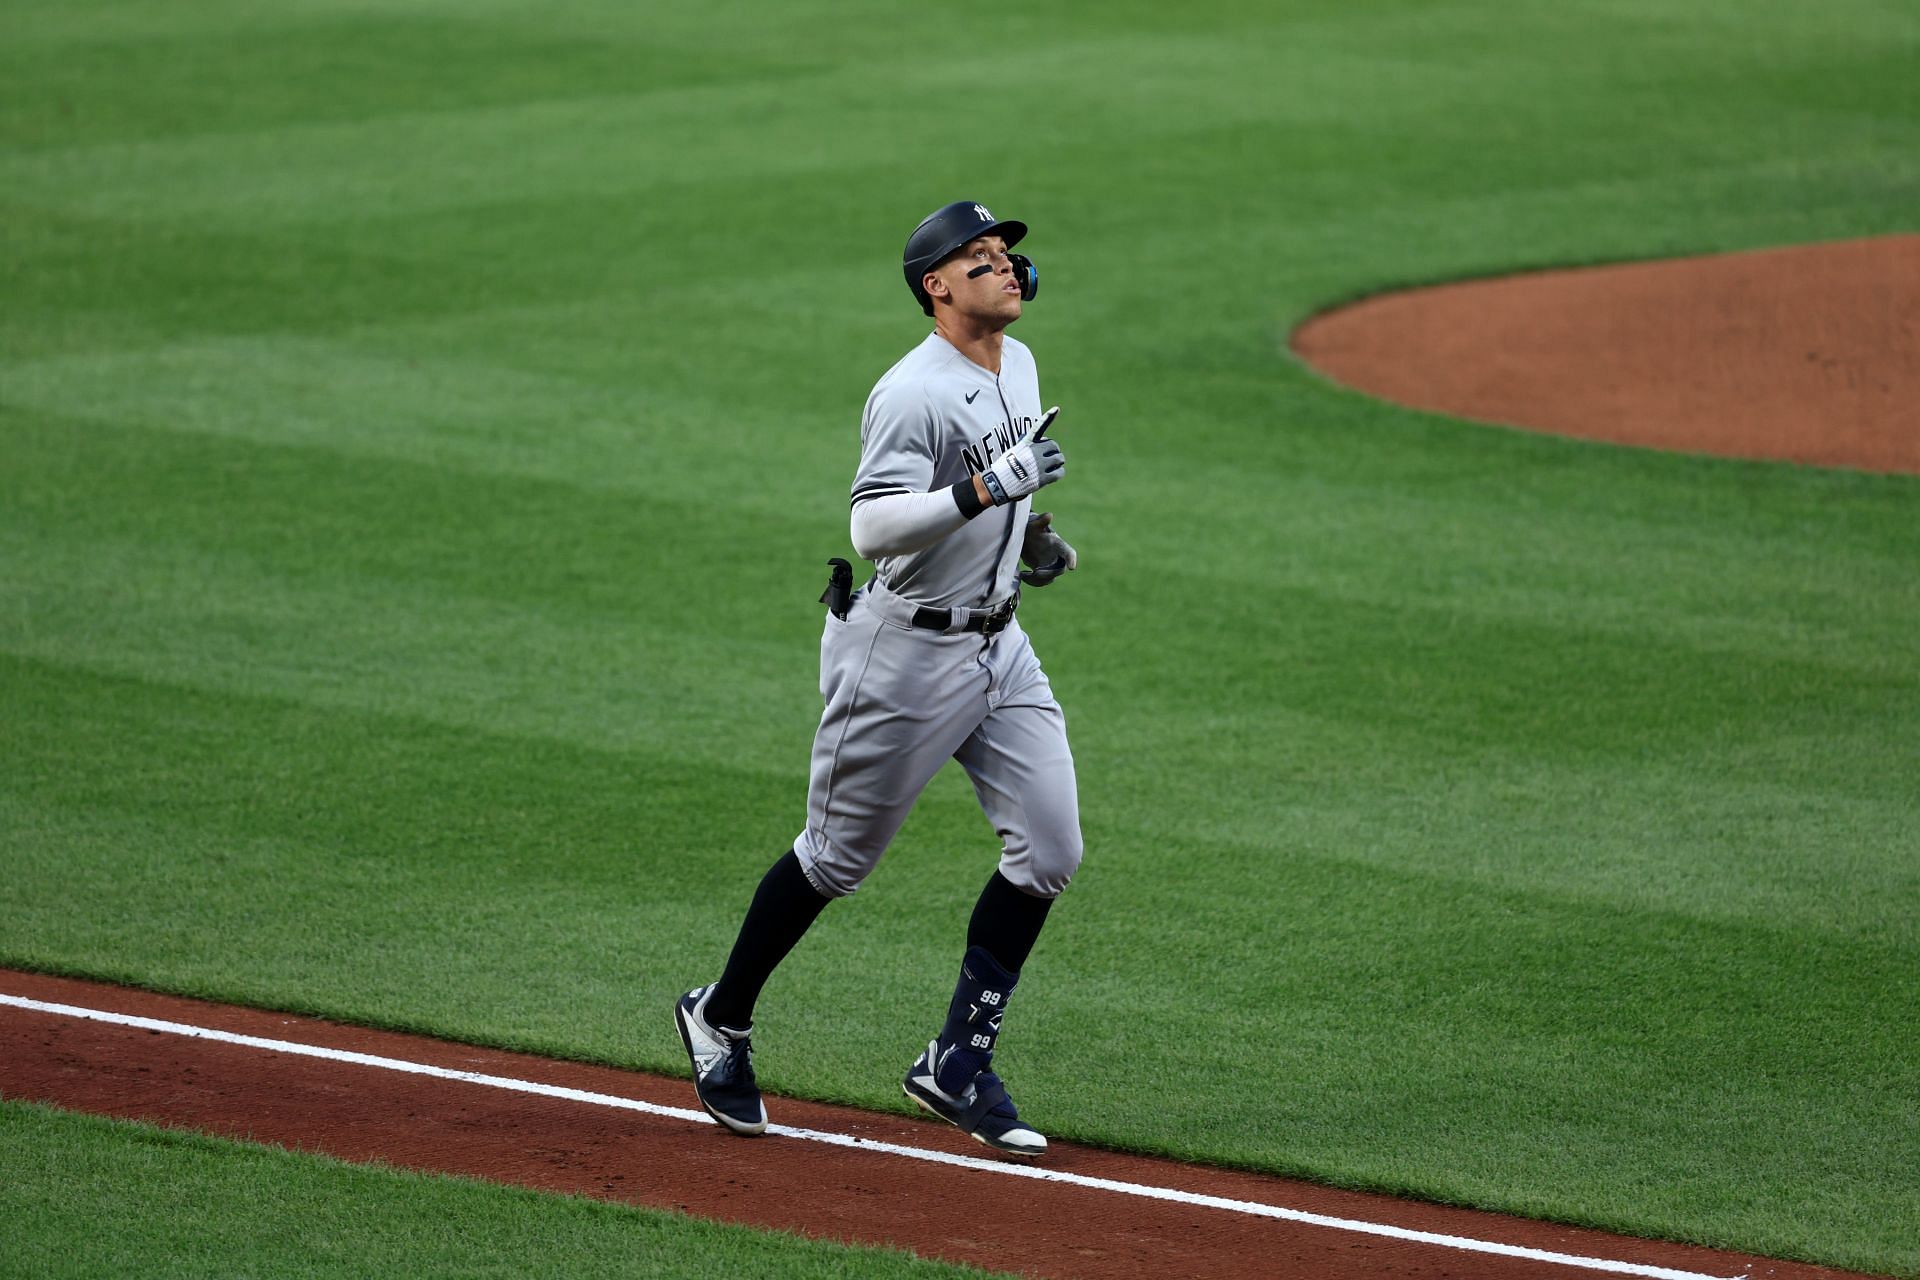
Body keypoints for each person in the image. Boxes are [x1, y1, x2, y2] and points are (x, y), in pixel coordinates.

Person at [675, 200, 1082, 1159]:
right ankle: (719, 1015)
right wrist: (988, 490)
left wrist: (1031, 536)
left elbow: (1001, 486)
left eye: (1005, 255)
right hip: (904, 655)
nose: (1002, 268)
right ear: (935, 287)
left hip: (998, 646)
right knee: (835, 860)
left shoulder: (1016, 364)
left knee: (1050, 849)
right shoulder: (912, 391)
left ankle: (956, 1061)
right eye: (977, 259)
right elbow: (872, 527)